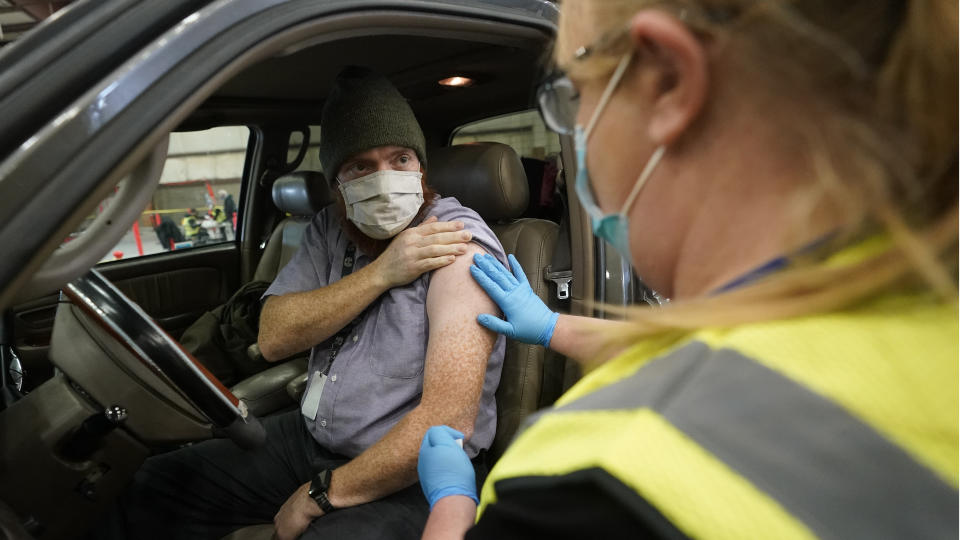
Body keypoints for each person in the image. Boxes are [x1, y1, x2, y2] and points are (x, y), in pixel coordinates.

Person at [417, 1, 957, 538]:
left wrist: (453, 511)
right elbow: (771, 357)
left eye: (576, 94)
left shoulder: (598, 481)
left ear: (667, 81)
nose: (576, 128)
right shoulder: (920, 302)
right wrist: (556, 326)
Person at [92, 67, 507, 540]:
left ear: (421, 166)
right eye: (360, 166)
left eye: (401, 158)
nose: (385, 178)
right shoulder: (331, 228)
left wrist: (321, 494)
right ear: (337, 183)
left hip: (421, 469)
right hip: (316, 439)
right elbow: (273, 336)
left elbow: (446, 421)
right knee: (151, 485)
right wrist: (383, 273)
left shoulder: (457, 243)